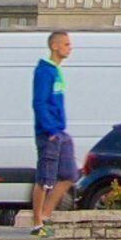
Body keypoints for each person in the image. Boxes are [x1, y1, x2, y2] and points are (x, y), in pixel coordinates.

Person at [26, 29, 77, 228]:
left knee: (70, 175)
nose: (69, 48)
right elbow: (39, 103)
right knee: (45, 178)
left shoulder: (56, 71)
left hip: (60, 131)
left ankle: (46, 214)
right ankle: (37, 221)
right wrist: (50, 130)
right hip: (49, 133)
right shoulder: (44, 71)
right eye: (66, 44)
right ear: (54, 46)